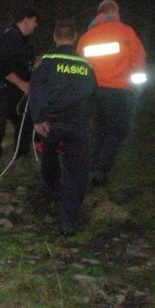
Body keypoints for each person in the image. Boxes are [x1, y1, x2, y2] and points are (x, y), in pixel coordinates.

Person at [30, 19, 96, 236]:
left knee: (48, 150)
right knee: (77, 172)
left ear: (55, 37)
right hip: (78, 125)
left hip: (51, 122)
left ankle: (50, 184)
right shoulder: (86, 65)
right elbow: (93, 96)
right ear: (75, 37)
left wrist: (38, 118)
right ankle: (69, 221)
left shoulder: (45, 61)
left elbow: (36, 91)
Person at [76, 0, 146, 186]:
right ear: (114, 11)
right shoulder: (125, 32)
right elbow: (138, 60)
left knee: (98, 129)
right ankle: (100, 171)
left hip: (93, 92)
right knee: (115, 131)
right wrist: (137, 85)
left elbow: (79, 66)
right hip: (118, 91)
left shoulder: (86, 37)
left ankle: (92, 165)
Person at [0, 7, 39, 175]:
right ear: (26, 20)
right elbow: (1, 65)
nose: (36, 26)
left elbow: (24, 62)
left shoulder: (24, 41)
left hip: (13, 94)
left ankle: (21, 156)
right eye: (34, 21)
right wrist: (21, 83)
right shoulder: (9, 38)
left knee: (25, 121)